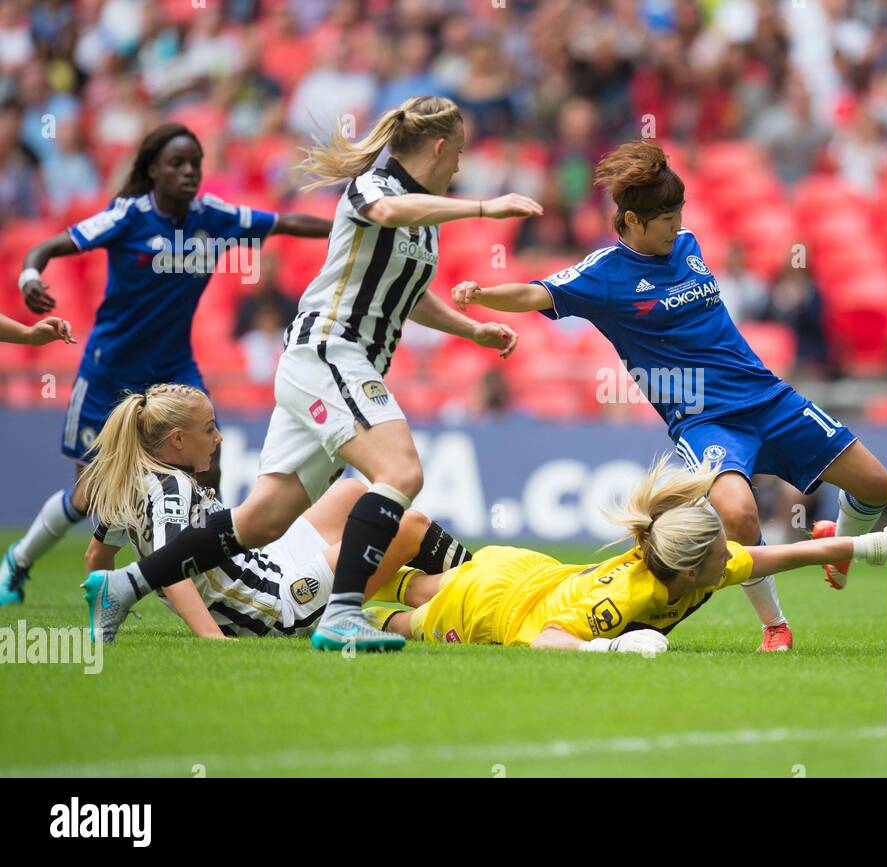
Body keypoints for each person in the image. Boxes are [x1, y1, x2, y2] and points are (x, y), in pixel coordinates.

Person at [84, 96, 542, 652]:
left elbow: (408, 293)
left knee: (260, 522)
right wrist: (484, 209)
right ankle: (343, 614)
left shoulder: (427, 220)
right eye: (460, 154)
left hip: (334, 365)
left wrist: (472, 332)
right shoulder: (376, 189)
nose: (460, 168)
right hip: (329, 351)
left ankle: (123, 586)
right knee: (399, 472)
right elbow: (388, 214)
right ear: (440, 146)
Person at [451, 140, 887, 653]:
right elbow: (535, 292)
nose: (677, 224)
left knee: (877, 485)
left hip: (767, 397)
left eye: (679, 212)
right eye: (666, 217)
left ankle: (837, 544)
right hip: (706, 420)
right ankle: (775, 626)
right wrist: (483, 294)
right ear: (634, 221)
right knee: (740, 515)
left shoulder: (688, 245)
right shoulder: (604, 276)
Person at [0, 123, 331, 606]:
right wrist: (31, 274)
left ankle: (211, 575)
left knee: (208, 469)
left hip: (175, 370)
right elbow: (47, 248)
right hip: (108, 372)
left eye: (195, 164)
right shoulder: (127, 218)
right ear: (153, 169)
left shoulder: (212, 217)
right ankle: (19, 562)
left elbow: (284, 223)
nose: (188, 173)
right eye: (177, 164)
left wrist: (353, 226)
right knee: (90, 495)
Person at [366, 455, 887, 654]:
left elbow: (799, 553)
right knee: (396, 621)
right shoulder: (627, 597)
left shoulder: (710, 565)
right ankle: (324, 606)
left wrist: (884, 543)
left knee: (415, 584)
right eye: (724, 550)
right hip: (493, 606)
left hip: (526, 571)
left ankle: (349, 577)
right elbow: (548, 640)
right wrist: (612, 646)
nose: (737, 556)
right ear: (691, 571)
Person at [81, 384, 469, 640]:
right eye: (209, 428)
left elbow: (97, 556)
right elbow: (172, 573)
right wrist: (212, 638)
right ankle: (480, 577)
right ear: (177, 440)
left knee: (352, 491)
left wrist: (104, 613)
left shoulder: (133, 483)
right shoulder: (172, 488)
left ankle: (452, 583)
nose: (218, 438)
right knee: (406, 525)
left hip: (267, 563)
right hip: (274, 603)